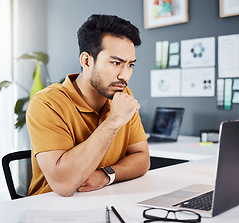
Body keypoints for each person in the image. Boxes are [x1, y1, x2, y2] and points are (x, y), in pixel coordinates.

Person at [26, 14, 150, 197]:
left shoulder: (122, 96)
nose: (125, 75)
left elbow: (142, 159)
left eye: (130, 65)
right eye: (116, 63)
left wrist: (105, 176)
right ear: (86, 61)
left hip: (103, 201)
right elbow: (64, 184)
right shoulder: (46, 103)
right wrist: (114, 120)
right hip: (51, 213)